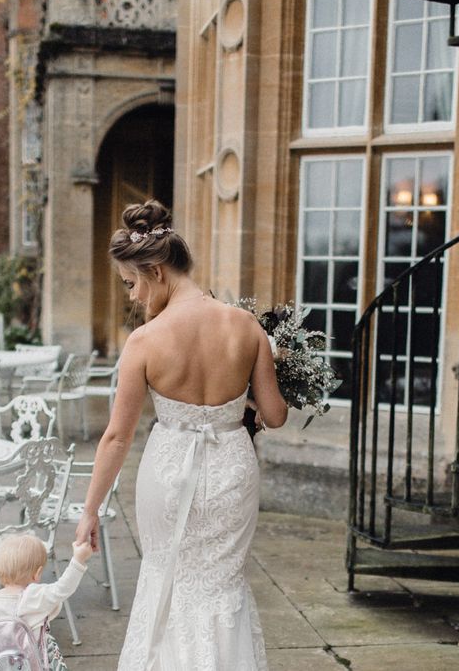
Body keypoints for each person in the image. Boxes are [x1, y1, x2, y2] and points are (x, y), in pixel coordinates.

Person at [75, 200, 287, 670]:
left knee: (166, 580)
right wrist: (271, 373)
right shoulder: (246, 326)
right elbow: (274, 415)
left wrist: (91, 510)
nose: (132, 297)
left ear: (156, 271)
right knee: (223, 584)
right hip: (233, 470)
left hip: (169, 474)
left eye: (131, 284)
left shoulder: (145, 342)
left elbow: (116, 437)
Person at [0, 534, 92, 659]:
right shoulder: (34, 596)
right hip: (33, 663)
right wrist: (78, 560)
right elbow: (64, 588)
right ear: (37, 573)